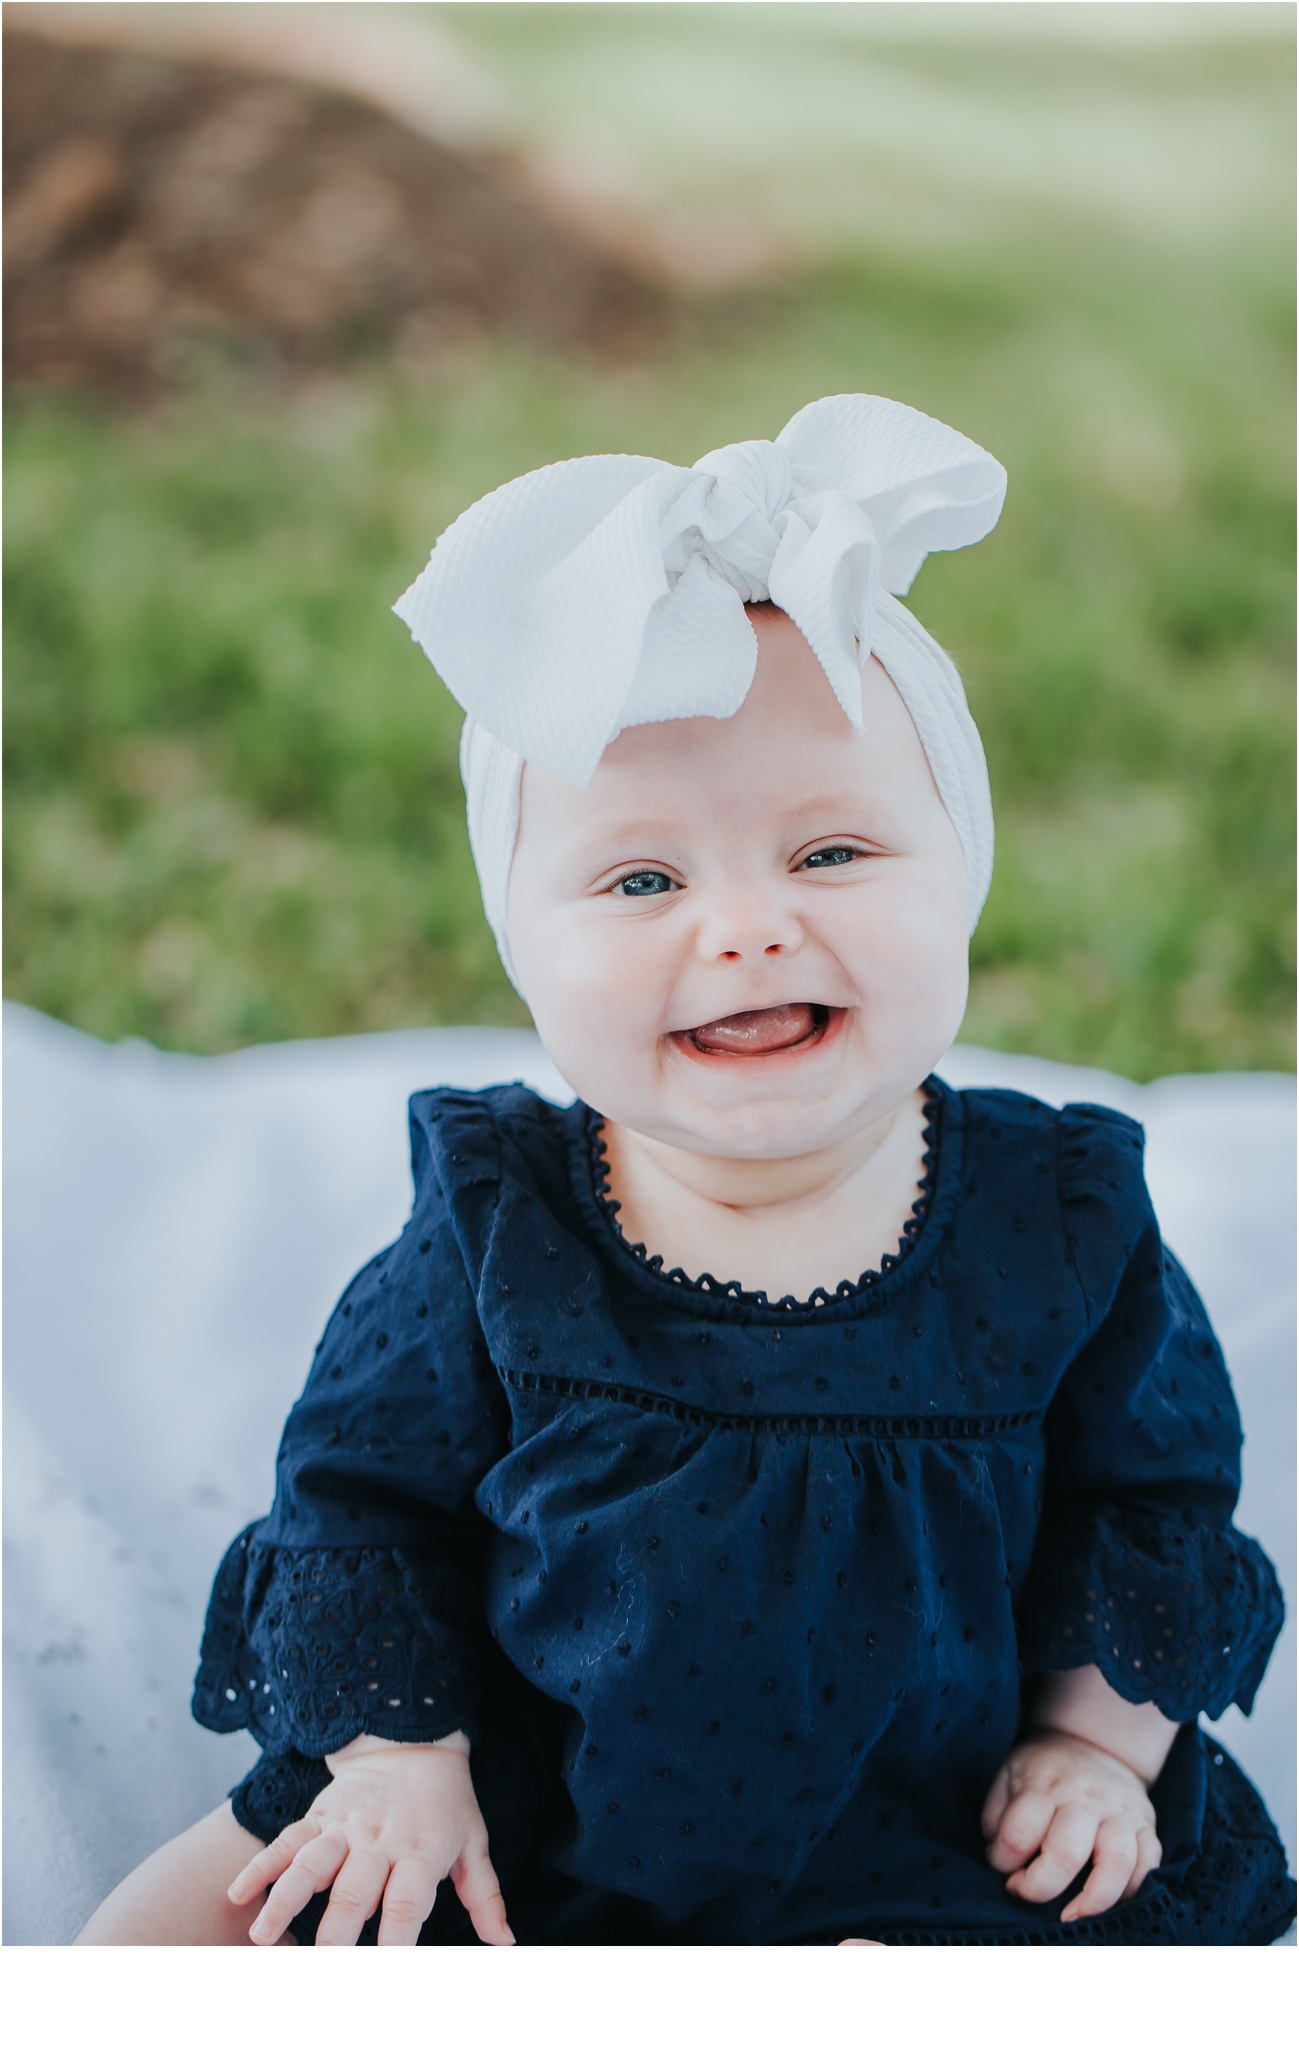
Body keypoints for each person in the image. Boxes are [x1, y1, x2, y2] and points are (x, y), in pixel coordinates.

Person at [77, 396, 1294, 1947]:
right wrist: (398, 1761)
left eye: (831, 853)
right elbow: (362, 1509)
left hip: (935, 1819)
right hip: (527, 1807)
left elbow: (1149, 1504)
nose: (745, 926)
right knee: (152, 1944)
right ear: (525, 951)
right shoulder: (497, 1222)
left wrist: (1092, 1750)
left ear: (965, 873)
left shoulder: (1055, 1221)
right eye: (641, 878)